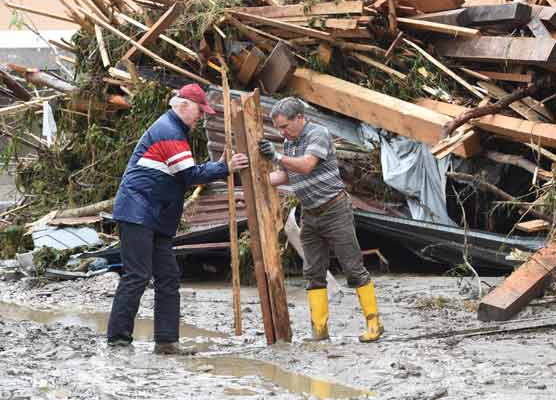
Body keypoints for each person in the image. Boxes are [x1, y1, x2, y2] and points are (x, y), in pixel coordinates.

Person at [106, 84, 249, 354]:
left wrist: (220, 166)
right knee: (137, 275)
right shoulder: (169, 132)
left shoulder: (174, 130)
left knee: (168, 277)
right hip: (138, 212)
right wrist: (225, 168)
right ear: (183, 105)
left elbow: (185, 171)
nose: (201, 117)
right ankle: (118, 340)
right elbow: (190, 175)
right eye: (199, 111)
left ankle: (166, 342)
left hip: (153, 215)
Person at [259, 97, 383, 343]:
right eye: (279, 128)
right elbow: (286, 175)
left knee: (353, 268)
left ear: (299, 118)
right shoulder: (289, 141)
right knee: (313, 271)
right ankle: (319, 330)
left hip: (334, 210)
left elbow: (305, 166)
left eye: (285, 126)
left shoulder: (318, 134)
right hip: (310, 213)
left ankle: (374, 324)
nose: (282, 132)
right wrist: (256, 178)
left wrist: (276, 157)